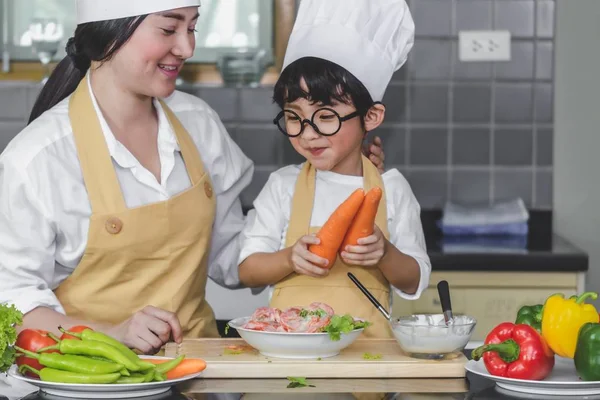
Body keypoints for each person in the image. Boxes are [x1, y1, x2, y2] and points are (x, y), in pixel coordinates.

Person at [0, 0, 385, 354]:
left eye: (192, 28)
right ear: (107, 36)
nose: (186, 48)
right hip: (87, 380)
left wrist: (342, 177)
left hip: (198, 372)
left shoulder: (197, 123)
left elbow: (232, 255)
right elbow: (11, 306)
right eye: (169, 30)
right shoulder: (38, 158)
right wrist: (110, 333)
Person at [238, 0, 431, 338]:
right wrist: (288, 259)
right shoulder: (284, 186)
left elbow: (415, 278)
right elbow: (248, 269)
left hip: (367, 365)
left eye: (326, 117)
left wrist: (384, 253)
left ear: (370, 117)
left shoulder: (392, 189)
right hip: (290, 362)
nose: (308, 134)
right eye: (294, 118)